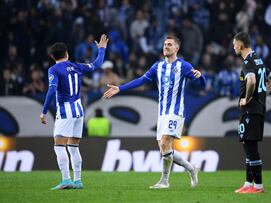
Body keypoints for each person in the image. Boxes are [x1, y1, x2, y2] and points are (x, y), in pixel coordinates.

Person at [103, 36, 206, 189]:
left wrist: (201, 77)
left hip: (176, 111)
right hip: (162, 113)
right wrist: (120, 88)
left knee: (165, 142)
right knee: (165, 148)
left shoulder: (183, 66)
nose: (166, 46)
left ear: (177, 48)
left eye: (170, 44)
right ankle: (191, 168)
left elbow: (201, 85)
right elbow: (141, 80)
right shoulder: (157, 66)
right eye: (165, 44)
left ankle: (164, 181)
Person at [40, 34, 109, 190]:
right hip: (79, 110)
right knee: (73, 146)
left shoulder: (53, 69)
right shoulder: (77, 66)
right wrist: (102, 49)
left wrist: (44, 111)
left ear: (52, 56)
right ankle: (77, 181)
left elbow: (51, 90)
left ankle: (66, 180)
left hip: (65, 110)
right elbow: (97, 64)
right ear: (67, 54)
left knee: (59, 145)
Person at [233, 32, 271, 194]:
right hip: (257, 108)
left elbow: (251, 80)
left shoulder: (248, 61)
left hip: (251, 109)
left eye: (234, 44)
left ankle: (258, 186)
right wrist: (262, 96)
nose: (233, 47)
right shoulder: (258, 59)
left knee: (250, 146)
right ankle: (248, 183)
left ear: (241, 45)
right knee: (247, 143)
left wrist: (248, 98)